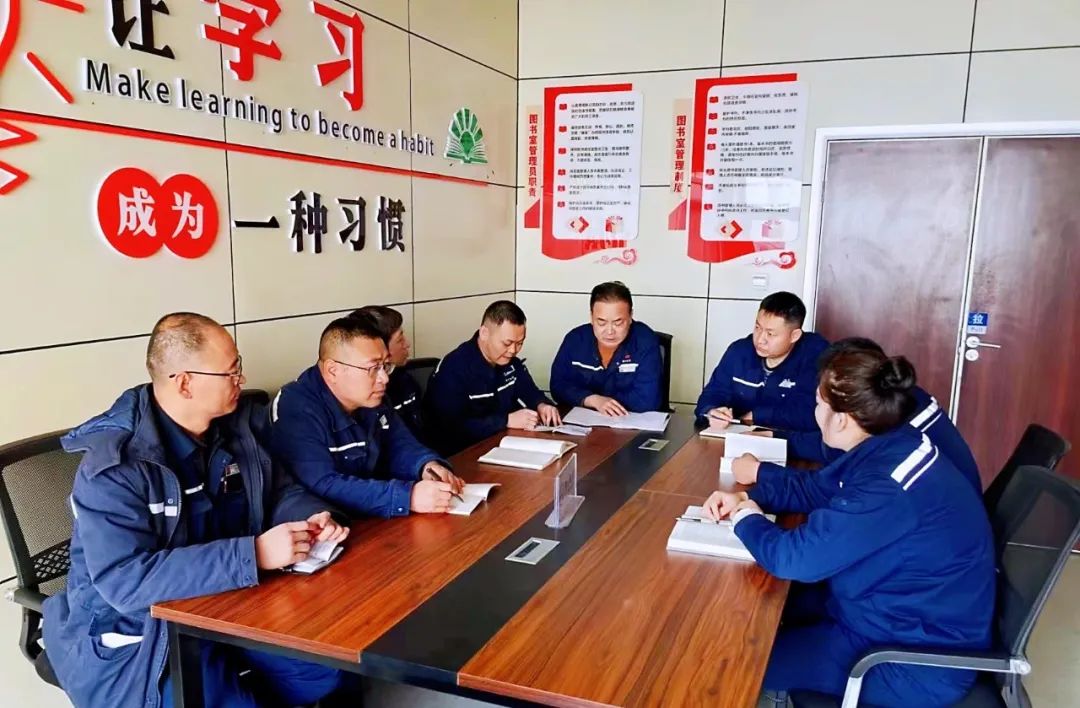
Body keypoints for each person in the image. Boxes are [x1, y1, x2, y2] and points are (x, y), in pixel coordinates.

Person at [42, 313, 350, 708]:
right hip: (144, 634)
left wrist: (309, 515)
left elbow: (279, 490)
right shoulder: (116, 466)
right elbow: (125, 581)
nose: (241, 379)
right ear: (185, 382)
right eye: (230, 371)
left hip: (227, 600)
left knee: (322, 671)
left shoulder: (236, 427)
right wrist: (254, 554)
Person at [704, 350, 995, 706]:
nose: (813, 413)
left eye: (817, 404)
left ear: (841, 420)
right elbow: (818, 489)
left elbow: (794, 559)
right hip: (882, 611)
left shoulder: (888, 486)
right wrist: (751, 497)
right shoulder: (891, 442)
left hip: (905, 661)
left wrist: (745, 518)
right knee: (754, 615)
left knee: (730, 658)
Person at [732, 337, 982, 495]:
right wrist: (777, 437)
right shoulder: (897, 398)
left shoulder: (891, 424)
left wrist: (761, 473)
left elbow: (835, 484)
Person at [270, 314, 462, 517]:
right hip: (327, 522)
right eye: (373, 368)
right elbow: (321, 482)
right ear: (333, 371)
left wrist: (426, 465)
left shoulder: (371, 396)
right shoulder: (295, 407)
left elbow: (399, 443)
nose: (384, 378)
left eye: (385, 366)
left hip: (373, 513)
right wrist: (408, 497)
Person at [424, 300, 560, 455]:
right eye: (507, 343)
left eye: (519, 343)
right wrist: (506, 421)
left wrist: (542, 405)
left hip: (500, 445)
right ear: (484, 333)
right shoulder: (454, 368)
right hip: (459, 454)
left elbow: (529, 391)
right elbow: (452, 427)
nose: (513, 350)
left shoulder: (510, 363)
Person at [695, 291, 828, 432]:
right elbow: (712, 394)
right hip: (737, 437)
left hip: (789, 442)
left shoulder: (816, 357)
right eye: (757, 328)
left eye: (770, 334)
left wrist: (757, 416)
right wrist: (711, 411)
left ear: (794, 336)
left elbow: (810, 413)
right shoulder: (739, 352)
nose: (760, 340)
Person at [550, 281, 663, 415]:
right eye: (601, 322)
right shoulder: (575, 340)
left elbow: (648, 400)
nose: (609, 331)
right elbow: (558, 386)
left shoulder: (645, 341)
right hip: (583, 422)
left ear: (630, 316)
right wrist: (592, 399)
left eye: (618, 322)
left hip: (631, 422)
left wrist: (605, 402)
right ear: (591, 317)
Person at [349, 305, 426, 443]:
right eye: (400, 340)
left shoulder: (405, 379)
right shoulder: (361, 398)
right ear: (379, 348)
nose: (407, 344)